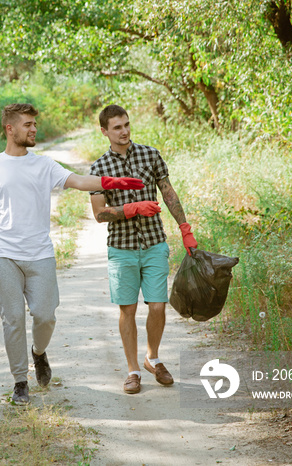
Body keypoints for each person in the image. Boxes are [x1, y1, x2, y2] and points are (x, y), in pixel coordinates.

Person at [0, 103, 145, 404]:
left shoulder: (44, 165)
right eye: (28, 124)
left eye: (34, 124)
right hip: (4, 255)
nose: (34, 129)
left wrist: (112, 182)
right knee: (13, 319)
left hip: (40, 254)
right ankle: (20, 381)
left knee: (45, 316)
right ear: (10, 129)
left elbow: (80, 181)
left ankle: (39, 353)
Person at [89, 104, 198, 394]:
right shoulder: (99, 168)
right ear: (104, 132)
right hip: (121, 248)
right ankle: (133, 370)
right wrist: (130, 209)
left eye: (126, 124)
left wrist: (184, 228)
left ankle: (153, 357)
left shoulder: (150, 155)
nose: (124, 131)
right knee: (128, 310)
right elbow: (99, 214)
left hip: (154, 243)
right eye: (116, 127)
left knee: (158, 306)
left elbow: (168, 192)